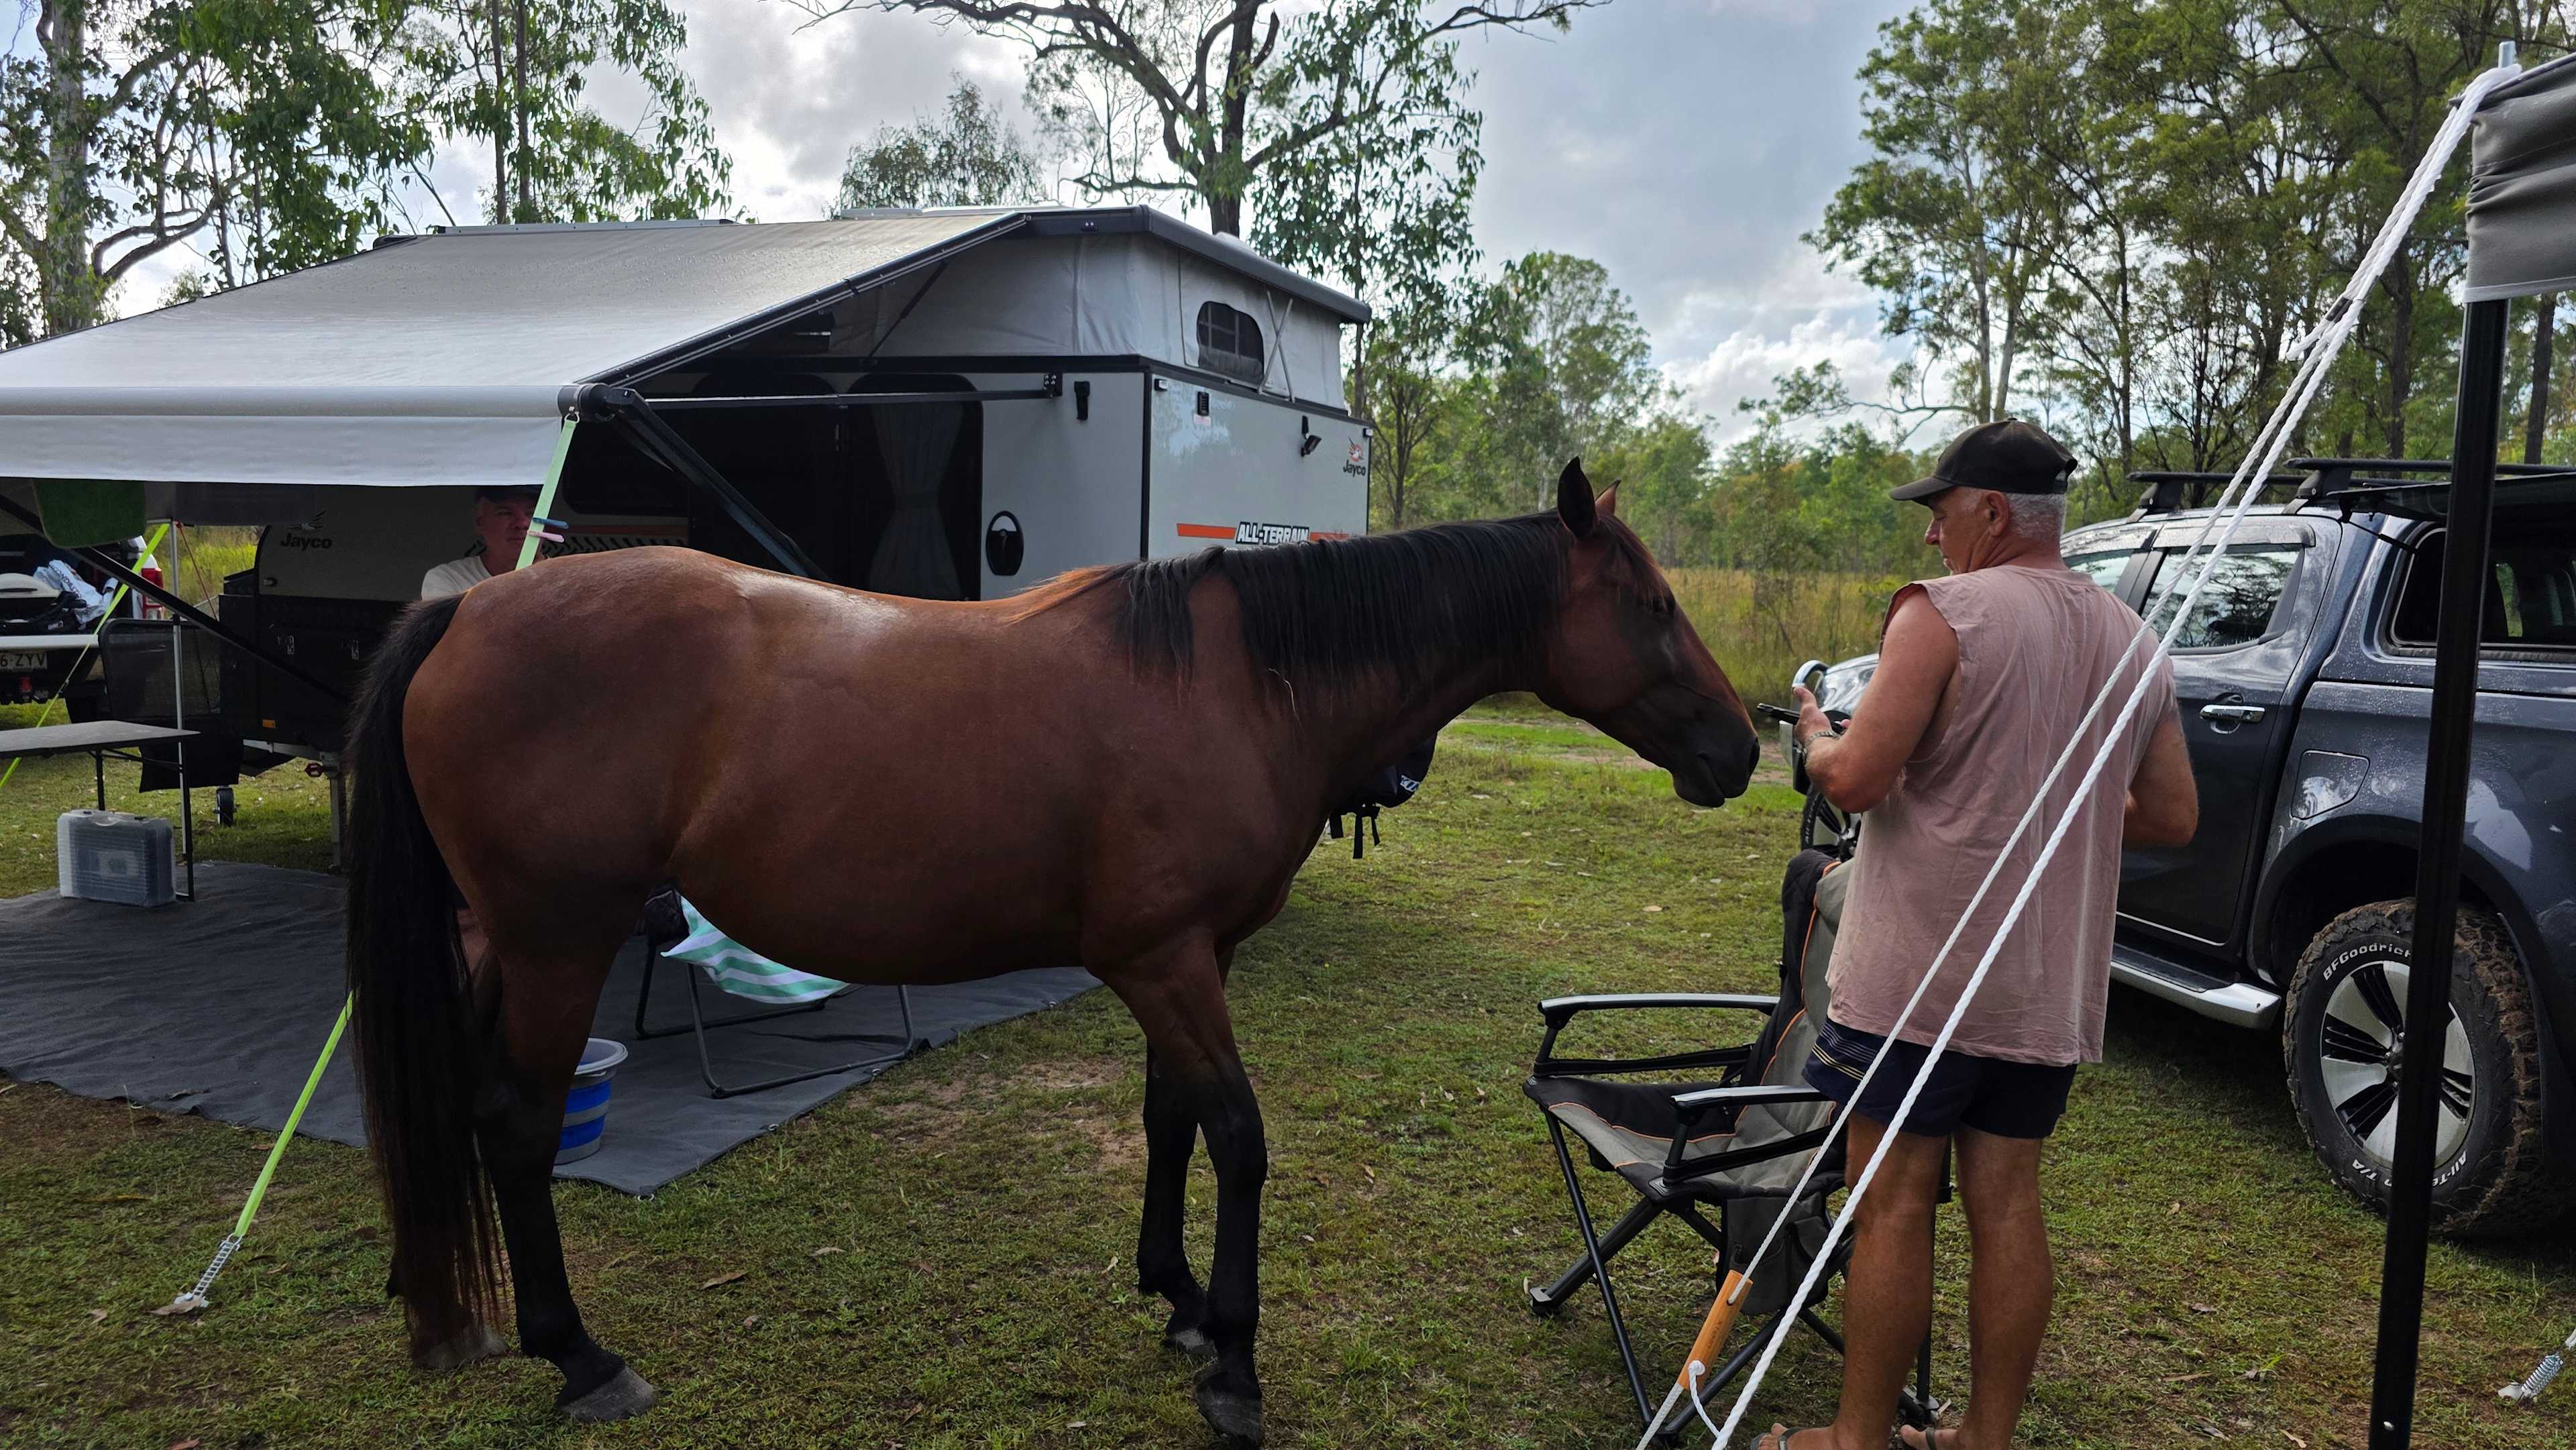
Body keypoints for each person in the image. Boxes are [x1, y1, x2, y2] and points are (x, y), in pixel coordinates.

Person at [1758, 420, 2199, 1450]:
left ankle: (1858, 1438)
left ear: (1991, 511)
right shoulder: (2132, 639)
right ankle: (1982, 1440)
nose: (1930, 539)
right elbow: (2172, 814)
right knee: (2007, 1203)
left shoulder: (1942, 614)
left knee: (1894, 1202)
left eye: (1940, 512)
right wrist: (2049, 798)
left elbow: (1862, 780)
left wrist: (1819, 738)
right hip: (2042, 989)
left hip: (1918, 982)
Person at [421, 486, 540, 600]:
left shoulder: (558, 578)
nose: (522, 523)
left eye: (532, 513)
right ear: (480, 523)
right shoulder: (449, 578)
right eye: (505, 513)